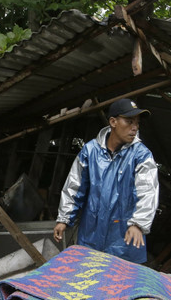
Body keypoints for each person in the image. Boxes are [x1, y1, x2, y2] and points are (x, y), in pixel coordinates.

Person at [52, 98, 159, 264]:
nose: (135, 127)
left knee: (120, 285)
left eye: (137, 123)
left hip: (124, 237)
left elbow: (148, 191)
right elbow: (75, 186)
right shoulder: (90, 151)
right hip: (91, 235)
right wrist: (64, 219)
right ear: (113, 122)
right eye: (129, 121)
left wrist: (138, 224)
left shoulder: (141, 155)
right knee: (87, 280)